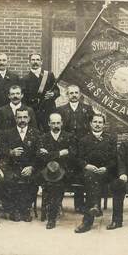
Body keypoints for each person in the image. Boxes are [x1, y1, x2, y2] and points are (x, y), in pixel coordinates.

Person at [74, 114, 117, 233]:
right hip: (88, 173)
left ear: (104, 125)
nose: (97, 124)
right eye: (95, 122)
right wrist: (87, 166)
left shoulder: (110, 139)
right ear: (91, 124)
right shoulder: (83, 140)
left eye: (100, 122)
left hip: (105, 173)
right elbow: (78, 158)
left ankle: (88, 219)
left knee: (94, 181)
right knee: (91, 177)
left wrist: (106, 168)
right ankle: (95, 207)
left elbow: (114, 159)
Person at [56, 84, 94, 212]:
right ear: (67, 95)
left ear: (80, 94)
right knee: (63, 173)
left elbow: (92, 127)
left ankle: (79, 205)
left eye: (76, 93)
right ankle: (58, 203)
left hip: (82, 148)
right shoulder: (60, 110)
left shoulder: (87, 109)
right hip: (66, 147)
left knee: (80, 173)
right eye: (71, 93)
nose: (73, 95)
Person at [37, 113, 78, 229]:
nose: (56, 125)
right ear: (49, 124)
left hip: (65, 172)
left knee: (55, 185)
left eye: (58, 123)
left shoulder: (69, 137)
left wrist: (49, 154)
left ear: (62, 123)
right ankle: (52, 216)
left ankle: (51, 217)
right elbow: (41, 156)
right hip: (47, 172)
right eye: (53, 123)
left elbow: (73, 155)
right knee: (52, 184)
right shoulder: (43, 138)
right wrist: (60, 153)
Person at [2, 108, 41, 222]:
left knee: (33, 182)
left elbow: (39, 154)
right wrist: (11, 152)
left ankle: (25, 209)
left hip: (29, 167)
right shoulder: (8, 133)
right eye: (19, 117)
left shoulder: (36, 133)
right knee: (9, 180)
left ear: (29, 118)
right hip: (12, 166)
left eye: (25, 117)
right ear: (15, 118)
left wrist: (32, 167)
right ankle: (14, 210)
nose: (22, 120)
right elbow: (1, 150)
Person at [21, 53, 59, 131]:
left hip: (48, 109)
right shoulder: (25, 79)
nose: (35, 62)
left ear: (41, 62)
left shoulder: (49, 75)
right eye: (33, 60)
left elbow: (57, 90)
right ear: (29, 62)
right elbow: (24, 99)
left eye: (37, 60)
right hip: (34, 111)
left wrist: (53, 94)